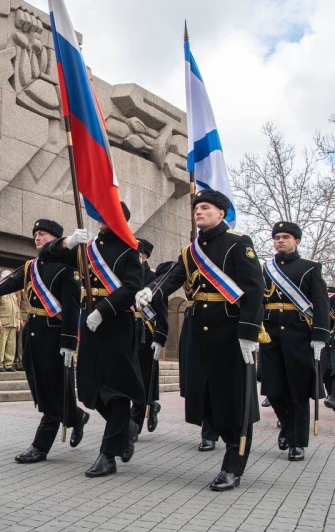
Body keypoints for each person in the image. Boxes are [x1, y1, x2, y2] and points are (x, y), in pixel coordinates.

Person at [136, 189, 264, 491]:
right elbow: (172, 278)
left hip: (229, 330)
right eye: (196, 208)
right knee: (200, 390)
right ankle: (216, 433)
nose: (199, 212)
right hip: (198, 329)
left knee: (232, 397)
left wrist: (248, 333)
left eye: (205, 208)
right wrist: (150, 291)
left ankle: (234, 462)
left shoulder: (238, 244)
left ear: (221, 213)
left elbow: (254, 291)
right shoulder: (190, 251)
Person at [0, 219, 88, 465]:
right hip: (33, 333)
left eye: (42, 234)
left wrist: (69, 342)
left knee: (53, 390)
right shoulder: (31, 267)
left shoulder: (68, 266)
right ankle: (76, 417)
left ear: (56, 238)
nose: (37, 238)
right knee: (41, 386)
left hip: (55, 335)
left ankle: (40, 446)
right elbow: (9, 282)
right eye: (35, 234)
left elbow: (71, 308)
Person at [43, 204, 144, 477]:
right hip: (90, 325)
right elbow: (45, 256)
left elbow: (132, 288)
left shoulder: (130, 249)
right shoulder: (87, 248)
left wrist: (103, 310)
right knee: (89, 388)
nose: (102, 218)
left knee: (118, 390)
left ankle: (107, 455)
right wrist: (65, 243)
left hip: (115, 324)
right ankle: (126, 428)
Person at [259, 221, 329, 462]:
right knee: (273, 389)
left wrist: (320, 335)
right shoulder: (266, 269)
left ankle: (298, 441)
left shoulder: (310, 268)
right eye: (277, 237)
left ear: (296, 241)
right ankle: (287, 426)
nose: (280, 240)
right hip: (270, 336)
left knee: (298, 391)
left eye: (285, 237)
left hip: (299, 336)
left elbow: (321, 304)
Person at [131, 239, 162, 433]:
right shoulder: (127, 273)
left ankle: (149, 409)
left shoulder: (152, 276)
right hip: (127, 327)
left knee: (146, 372)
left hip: (147, 328)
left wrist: (160, 335)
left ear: (145, 256)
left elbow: (161, 308)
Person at [0, 270, 19, 372]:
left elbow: (17, 307)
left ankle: (8, 364)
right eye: (9, 277)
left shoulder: (12, 291)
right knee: (0, 345)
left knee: (11, 345)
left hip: (13, 322)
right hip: (3, 322)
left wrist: (18, 321)